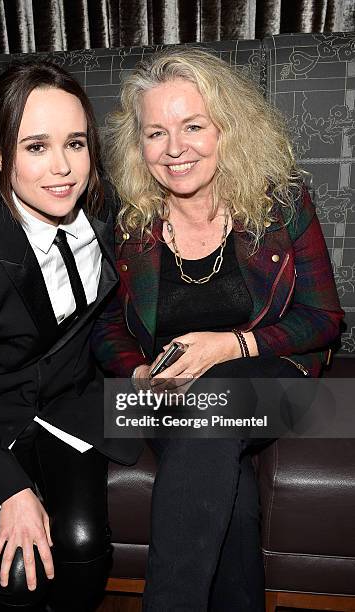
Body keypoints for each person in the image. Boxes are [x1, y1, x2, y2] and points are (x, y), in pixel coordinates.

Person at [93, 49, 344, 611]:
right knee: (220, 471)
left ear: (227, 128)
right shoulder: (129, 218)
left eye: (193, 126)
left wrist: (231, 344)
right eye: (155, 133)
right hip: (166, 391)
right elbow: (107, 324)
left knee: (210, 411)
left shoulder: (280, 203)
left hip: (274, 374)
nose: (175, 148)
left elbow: (325, 319)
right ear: (139, 146)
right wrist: (135, 371)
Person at [0, 60, 140, 612]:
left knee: (85, 548)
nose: (64, 168)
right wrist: (9, 489)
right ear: (0, 156)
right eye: (37, 147)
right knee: (20, 571)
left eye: (76, 143)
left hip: (73, 405)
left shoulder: (105, 213)